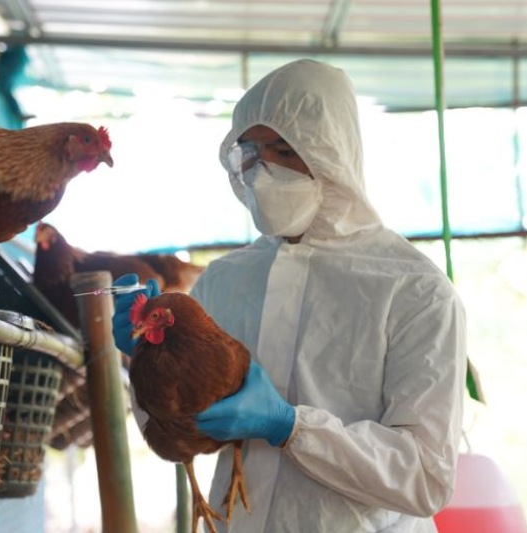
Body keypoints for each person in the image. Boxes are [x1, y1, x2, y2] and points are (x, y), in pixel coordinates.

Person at [112, 58, 467, 532]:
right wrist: (146, 360)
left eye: (284, 148)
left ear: (332, 150)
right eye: (252, 152)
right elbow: (180, 432)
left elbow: (424, 478)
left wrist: (293, 428)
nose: (264, 169)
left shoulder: (414, 290)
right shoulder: (224, 280)